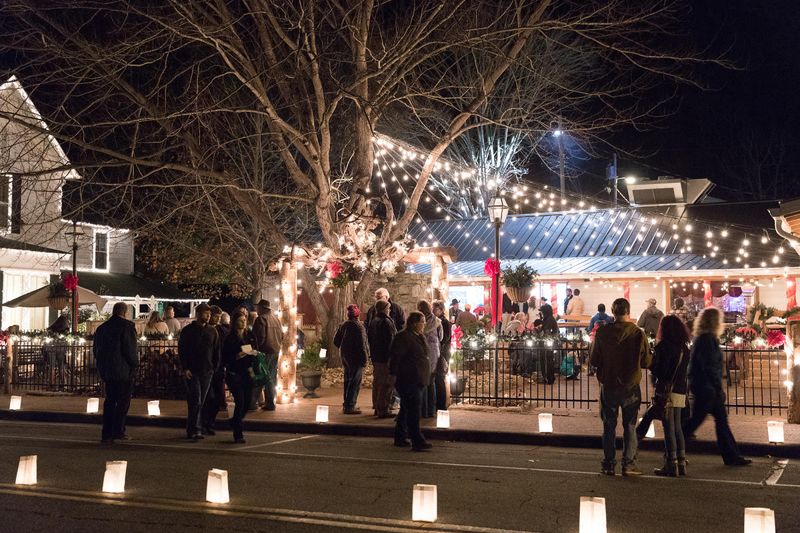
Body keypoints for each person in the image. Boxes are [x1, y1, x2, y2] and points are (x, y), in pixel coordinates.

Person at [682, 307, 752, 466]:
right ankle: (673, 446)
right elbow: (710, 366)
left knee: (715, 421)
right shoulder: (708, 340)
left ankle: (732, 456)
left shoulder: (701, 338)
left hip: (703, 386)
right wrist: (718, 387)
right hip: (707, 388)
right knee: (699, 422)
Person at [589, 298, 651, 476]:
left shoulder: (603, 332)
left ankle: (608, 463)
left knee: (609, 426)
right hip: (630, 385)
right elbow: (646, 361)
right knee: (630, 426)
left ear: (612, 311)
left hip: (608, 384)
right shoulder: (638, 333)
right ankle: (628, 463)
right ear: (628, 311)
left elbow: (594, 359)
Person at [645, 315, 691, 477]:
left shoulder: (665, 347)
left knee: (668, 427)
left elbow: (661, 371)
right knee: (677, 427)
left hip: (667, 390)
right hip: (680, 389)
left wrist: (652, 365)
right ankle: (681, 462)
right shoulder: (684, 348)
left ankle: (671, 464)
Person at [93, 302, 138, 444]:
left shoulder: (102, 328)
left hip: (107, 370)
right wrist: (135, 365)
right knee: (123, 402)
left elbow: (96, 350)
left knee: (110, 401)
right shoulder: (127, 327)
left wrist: (102, 366)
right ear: (125, 312)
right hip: (123, 370)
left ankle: (107, 433)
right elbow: (129, 350)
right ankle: (118, 430)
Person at [389, 311, 432, 451]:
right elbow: (396, 357)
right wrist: (393, 374)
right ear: (414, 323)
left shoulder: (419, 336)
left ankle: (400, 436)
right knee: (413, 410)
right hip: (408, 378)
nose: (424, 324)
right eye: (422, 321)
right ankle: (417, 440)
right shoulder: (403, 337)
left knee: (406, 409)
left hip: (418, 377)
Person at [178, 303, 220, 440]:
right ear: (198, 314)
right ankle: (195, 429)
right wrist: (185, 368)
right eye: (205, 314)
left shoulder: (212, 331)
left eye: (209, 314)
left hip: (207, 370)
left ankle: (195, 427)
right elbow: (182, 350)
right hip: (192, 370)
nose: (208, 316)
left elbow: (216, 350)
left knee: (201, 400)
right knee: (195, 398)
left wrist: (214, 367)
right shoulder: (188, 331)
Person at [222, 313, 256, 443]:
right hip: (234, 373)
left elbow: (255, 349)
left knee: (247, 402)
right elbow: (225, 357)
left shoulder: (249, 336)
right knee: (240, 401)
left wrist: (253, 353)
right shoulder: (230, 338)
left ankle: (235, 421)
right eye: (240, 321)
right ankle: (238, 433)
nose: (243, 323)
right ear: (235, 322)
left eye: (244, 320)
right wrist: (237, 356)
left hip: (247, 372)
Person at [334, 304, 369, 414]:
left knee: (348, 381)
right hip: (356, 358)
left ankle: (347, 404)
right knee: (355, 382)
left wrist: (344, 347)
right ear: (357, 315)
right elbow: (362, 345)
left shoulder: (343, 325)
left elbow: (336, 341)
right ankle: (350, 406)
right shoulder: (359, 327)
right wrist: (365, 359)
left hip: (345, 356)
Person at [367, 299, 397, 418]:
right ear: (384, 309)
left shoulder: (374, 321)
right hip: (385, 357)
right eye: (388, 308)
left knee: (378, 382)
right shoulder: (385, 322)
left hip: (376, 356)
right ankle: (383, 409)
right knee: (386, 383)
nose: (389, 310)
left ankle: (378, 406)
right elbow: (390, 341)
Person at [200, 305, 227, 435]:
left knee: (218, 397)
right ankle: (204, 423)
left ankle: (210, 422)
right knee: (208, 397)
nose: (216, 319)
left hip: (219, 368)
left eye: (218, 317)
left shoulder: (222, 331)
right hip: (208, 368)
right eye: (215, 316)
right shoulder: (206, 331)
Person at [252, 299, 283, 411]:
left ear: (262, 308)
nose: (256, 310)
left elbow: (260, 337)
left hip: (264, 352)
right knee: (271, 377)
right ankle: (270, 402)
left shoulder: (260, 319)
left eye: (258, 308)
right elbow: (281, 336)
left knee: (260, 376)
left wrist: (254, 349)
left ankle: (253, 402)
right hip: (275, 351)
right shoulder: (276, 319)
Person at [417, 300, 442, 418]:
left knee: (424, 383)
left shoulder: (420, 321)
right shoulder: (437, 321)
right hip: (434, 353)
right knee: (431, 382)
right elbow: (441, 337)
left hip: (424, 353)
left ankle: (424, 410)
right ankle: (431, 410)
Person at [433, 301, 452, 411]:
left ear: (440, 309)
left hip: (443, 353)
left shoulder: (444, 322)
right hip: (439, 353)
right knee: (437, 379)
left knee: (440, 379)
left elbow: (444, 338)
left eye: (435, 309)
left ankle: (441, 405)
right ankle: (438, 403)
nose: (433, 311)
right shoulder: (437, 321)